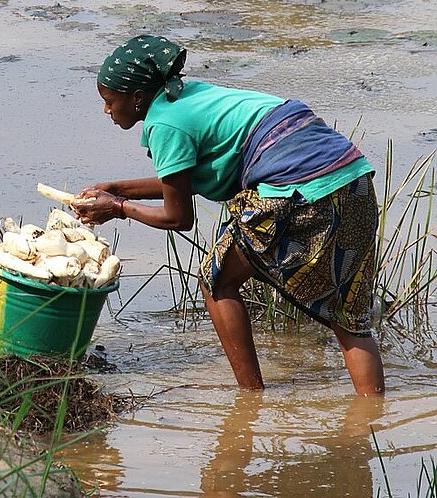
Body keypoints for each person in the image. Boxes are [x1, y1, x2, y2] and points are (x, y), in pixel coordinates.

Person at [74, 34, 385, 396]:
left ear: (138, 98)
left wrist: (117, 208)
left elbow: (178, 218)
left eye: (110, 101)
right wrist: (118, 188)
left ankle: (249, 396)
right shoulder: (192, 95)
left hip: (297, 191)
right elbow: (191, 179)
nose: (106, 111)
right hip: (352, 181)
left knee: (217, 280)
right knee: (348, 315)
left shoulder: (165, 124)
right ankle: (371, 417)